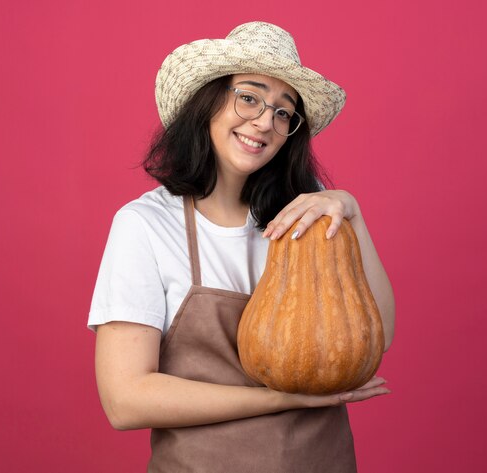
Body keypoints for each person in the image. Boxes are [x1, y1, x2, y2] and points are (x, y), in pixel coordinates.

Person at [88, 21, 396, 472]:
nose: (264, 122)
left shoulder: (305, 218)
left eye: (283, 112)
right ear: (208, 100)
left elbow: (379, 335)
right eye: (248, 97)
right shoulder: (146, 225)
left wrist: (352, 212)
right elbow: (126, 400)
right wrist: (282, 398)